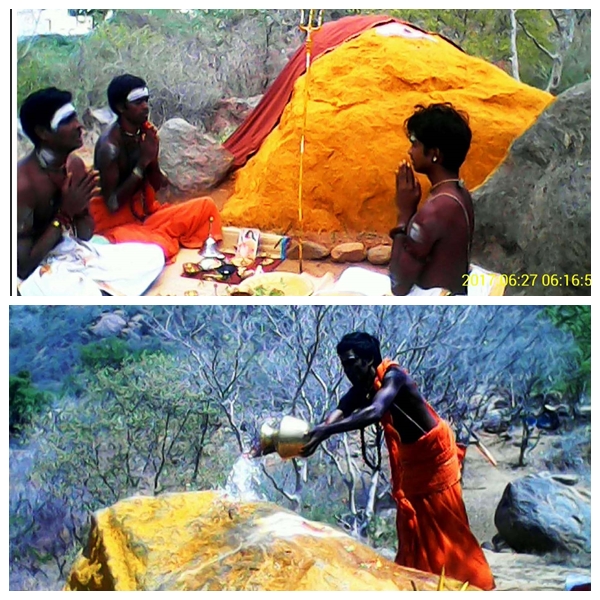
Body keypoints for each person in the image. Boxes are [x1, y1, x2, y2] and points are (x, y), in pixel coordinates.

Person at [301, 332, 495, 590]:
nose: (346, 370)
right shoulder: (365, 386)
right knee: (414, 532)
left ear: (369, 359)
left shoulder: (395, 378)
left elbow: (375, 411)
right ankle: (426, 585)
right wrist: (316, 434)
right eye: (343, 364)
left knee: (449, 535)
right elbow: (342, 409)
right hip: (412, 461)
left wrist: (325, 432)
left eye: (350, 362)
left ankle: (478, 587)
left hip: (434, 458)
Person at [17, 87, 164, 296]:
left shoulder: (74, 165)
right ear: (43, 133)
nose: (79, 125)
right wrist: (64, 215)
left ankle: (98, 288)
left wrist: (80, 211)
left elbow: (85, 235)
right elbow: (22, 268)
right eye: (67, 120)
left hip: (70, 251)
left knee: (153, 255)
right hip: (38, 268)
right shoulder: (22, 185)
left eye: (75, 116)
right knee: (73, 292)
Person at [90, 74, 223, 262]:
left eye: (146, 100)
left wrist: (153, 156)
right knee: (156, 247)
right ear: (121, 108)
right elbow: (112, 204)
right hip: (115, 226)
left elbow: (158, 185)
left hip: (146, 216)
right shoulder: (109, 147)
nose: (145, 106)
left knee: (206, 208)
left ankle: (155, 235)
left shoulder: (144, 135)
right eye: (138, 102)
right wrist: (142, 162)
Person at [389, 103, 474, 295]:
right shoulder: (459, 193)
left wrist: (404, 214)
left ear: (434, 154)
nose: (410, 151)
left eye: (415, 143)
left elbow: (398, 285)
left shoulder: (438, 208)